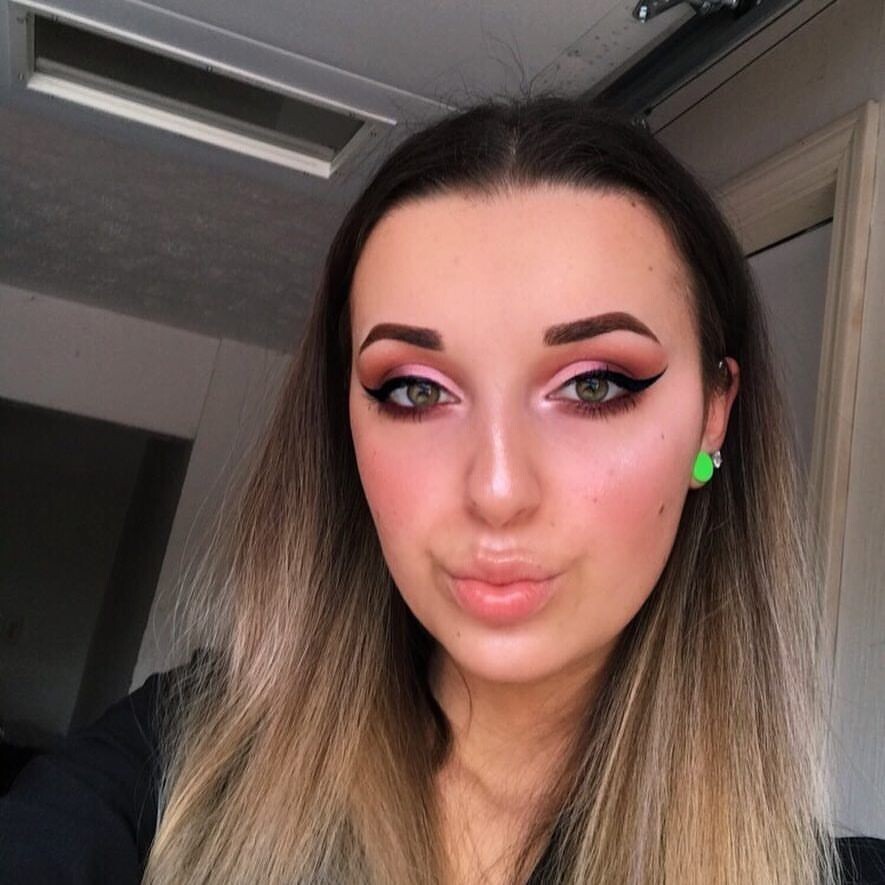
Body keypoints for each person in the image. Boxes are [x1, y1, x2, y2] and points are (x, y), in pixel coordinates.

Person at [1, 94, 883, 884]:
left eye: (594, 384)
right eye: (415, 390)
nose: (496, 489)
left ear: (712, 414)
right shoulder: (184, 761)